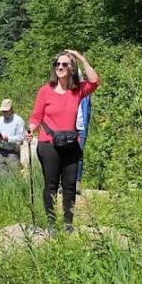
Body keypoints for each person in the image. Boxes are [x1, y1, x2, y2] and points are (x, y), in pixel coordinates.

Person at [26, 49, 99, 231]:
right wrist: (31, 129)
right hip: (48, 144)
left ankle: (68, 223)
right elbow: (36, 116)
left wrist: (81, 58)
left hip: (70, 145)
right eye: (57, 64)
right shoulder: (46, 91)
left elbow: (95, 81)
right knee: (51, 185)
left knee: (69, 186)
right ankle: (51, 223)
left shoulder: (77, 91)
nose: (60, 67)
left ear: (71, 68)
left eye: (64, 64)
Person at [0, 98, 25, 175]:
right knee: (2, 177)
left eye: (6, 110)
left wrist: (8, 138)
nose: (4, 112)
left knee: (14, 176)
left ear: (11, 109)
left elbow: (22, 137)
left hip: (13, 152)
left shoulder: (18, 120)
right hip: (1, 152)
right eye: (3, 111)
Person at [75, 92, 92, 194]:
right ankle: (63, 183)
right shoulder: (67, 92)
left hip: (81, 129)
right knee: (66, 155)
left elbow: (88, 112)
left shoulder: (86, 95)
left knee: (79, 155)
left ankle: (77, 183)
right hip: (69, 128)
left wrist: (86, 128)